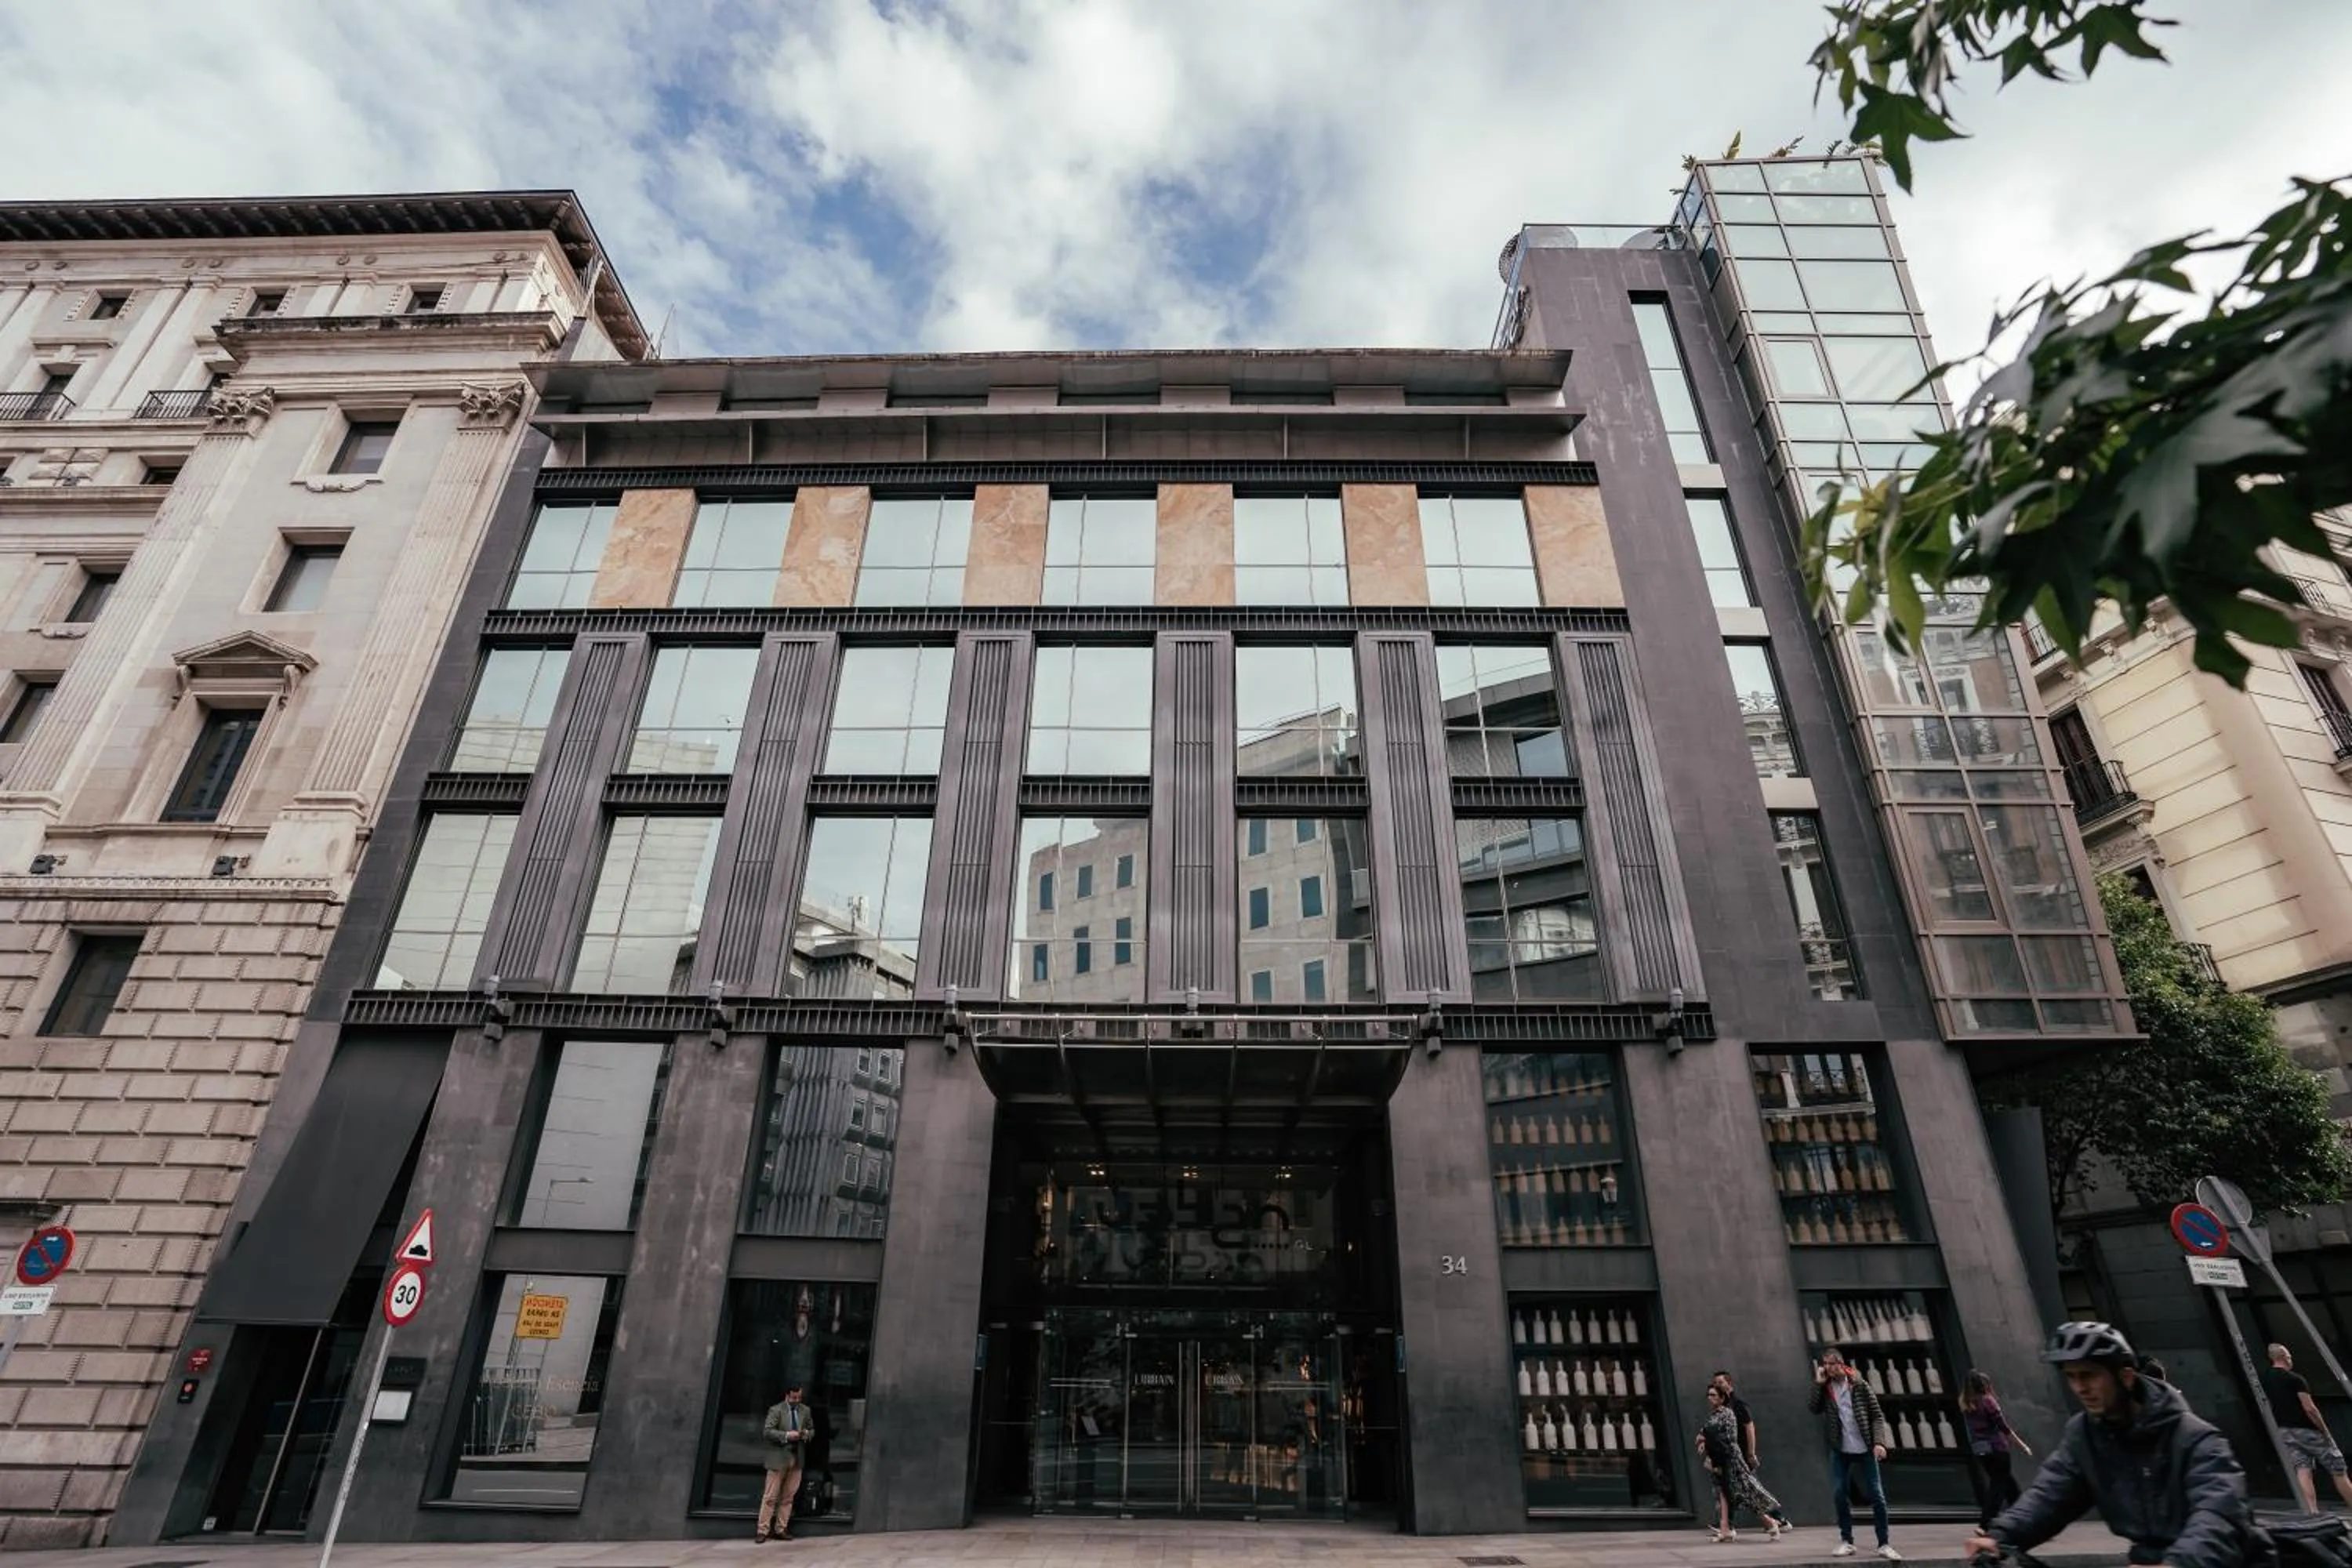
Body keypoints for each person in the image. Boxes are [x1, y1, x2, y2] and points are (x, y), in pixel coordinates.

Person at [1969, 1322, 2258, 1568]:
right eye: (2071, 1377)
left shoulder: (2194, 1438)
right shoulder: (2085, 1435)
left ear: (2126, 1377)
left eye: (2089, 1375)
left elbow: (2220, 1514)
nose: (2080, 1388)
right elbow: (2050, 1495)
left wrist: (2179, 1564)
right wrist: (2001, 1536)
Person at [1809, 1345, 1900, 1560]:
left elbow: (1877, 1415)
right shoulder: (1826, 1388)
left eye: (1831, 1364)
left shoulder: (1859, 1385)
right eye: (1825, 1364)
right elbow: (1814, 1408)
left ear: (1841, 1364)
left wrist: (1879, 1442)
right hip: (1840, 1449)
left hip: (1865, 1448)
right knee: (1840, 1494)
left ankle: (1884, 1544)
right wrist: (1818, 1384)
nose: (1827, 1368)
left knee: (1877, 1495)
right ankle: (1847, 1541)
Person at [2263, 1344, 2352, 1514]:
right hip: (2307, 1430)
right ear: (2285, 1357)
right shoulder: (2295, 1379)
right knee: (2338, 1468)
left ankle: (2312, 1512)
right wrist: (2324, 1430)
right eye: (2290, 1357)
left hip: (2284, 1430)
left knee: (2303, 1468)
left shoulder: (2266, 1379)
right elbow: (2310, 1408)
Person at [1698, 1382, 1788, 1541]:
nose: (1710, 1398)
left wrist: (1708, 1441)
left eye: (1714, 1395)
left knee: (1743, 1494)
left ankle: (1770, 1522)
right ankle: (1726, 1530)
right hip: (1718, 1459)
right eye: (1709, 1395)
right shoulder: (1714, 1415)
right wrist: (1703, 1440)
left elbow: (1729, 1438)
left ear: (1722, 1398)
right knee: (1725, 1493)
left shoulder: (1727, 1414)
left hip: (1730, 1460)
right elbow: (1706, 1433)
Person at [1711, 1371, 1795, 1530]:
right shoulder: (1723, 1407)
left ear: (1729, 1384)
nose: (1717, 1385)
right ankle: (1727, 1524)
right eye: (1715, 1383)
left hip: (1741, 1456)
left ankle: (1779, 1519)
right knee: (1729, 1489)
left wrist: (1751, 1453)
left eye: (1720, 1382)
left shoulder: (1738, 1405)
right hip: (1729, 1455)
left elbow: (1749, 1428)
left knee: (1752, 1489)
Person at [1959, 1370, 2032, 1530]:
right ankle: (1985, 1523)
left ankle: (2025, 1520)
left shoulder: (1966, 1404)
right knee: (1998, 1486)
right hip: (1997, 1448)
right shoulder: (1988, 1401)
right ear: (1985, 1385)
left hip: (1981, 1450)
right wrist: (2023, 1445)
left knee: (2010, 1486)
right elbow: (2004, 1427)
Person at [757, 1383, 810, 1544]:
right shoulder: (776, 1410)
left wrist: (807, 1434)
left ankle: (781, 1528)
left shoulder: (805, 1411)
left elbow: (811, 1428)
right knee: (770, 1496)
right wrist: (787, 1435)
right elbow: (768, 1431)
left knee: (788, 1496)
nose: (797, 1400)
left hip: (796, 1458)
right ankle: (763, 1530)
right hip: (779, 1457)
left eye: (799, 1397)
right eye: (794, 1397)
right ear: (787, 1396)